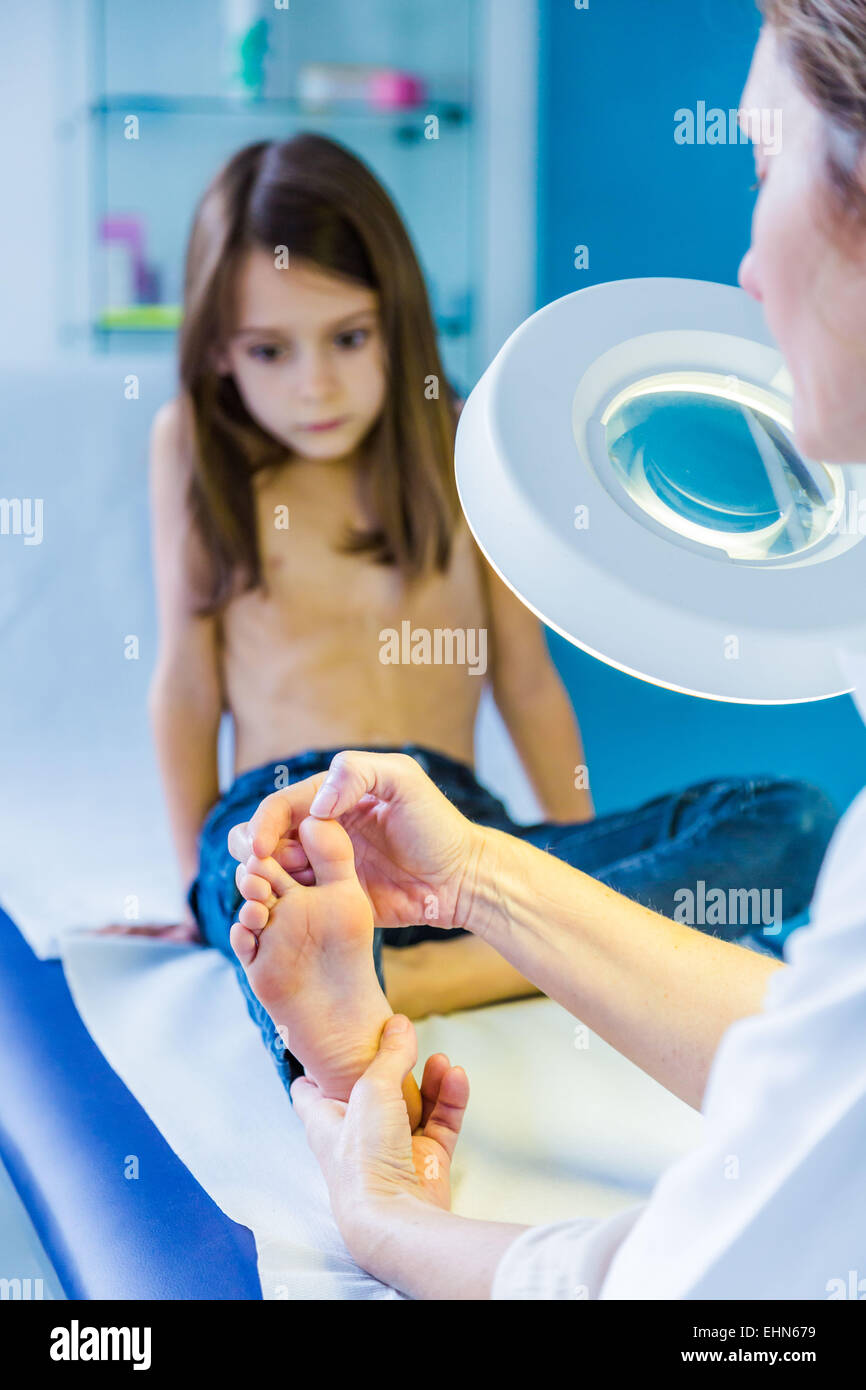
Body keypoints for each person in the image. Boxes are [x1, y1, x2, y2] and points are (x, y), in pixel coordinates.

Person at [227, 1, 866, 1298]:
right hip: (337, 812)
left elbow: (715, 1299)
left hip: (438, 822)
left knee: (772, 814)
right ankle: (383, 977)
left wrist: (385, 1216)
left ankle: (402, 989)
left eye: (761, 165)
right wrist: (478, 873)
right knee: (247, 871)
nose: (743, 266)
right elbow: (822, 1073)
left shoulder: (441, 454)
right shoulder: (208, 473)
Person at [134, 130, 831, 1102]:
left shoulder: (459, 439)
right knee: (268, 892)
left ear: (398, 323)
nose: (316, 383)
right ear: (217, 351)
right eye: (269, 350)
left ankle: (420, 972)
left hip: (454, 837)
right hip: (286, 810)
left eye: (348, 337)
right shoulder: (195, 451)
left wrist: (580, 909)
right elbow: (185, 679)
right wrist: (191, 890)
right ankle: (355, 979)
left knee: (791, 822)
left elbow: (526, 679)